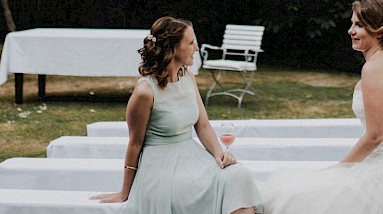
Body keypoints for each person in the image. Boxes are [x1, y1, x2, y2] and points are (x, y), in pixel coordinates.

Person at [260, 0, 383, 213]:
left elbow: (375, 136)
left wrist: (341, 170)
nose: (351, 30)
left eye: (359, 25)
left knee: (295, 196)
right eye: (352, 23)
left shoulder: (374, 68)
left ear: (379, 31)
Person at [92, 16, 262, 213]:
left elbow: (203, 125)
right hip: (161, 168)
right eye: (190, 43)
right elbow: (135, 143)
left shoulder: (188, 77)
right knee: (227, 185)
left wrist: (219, 156)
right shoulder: (145, 92)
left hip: (192, 157)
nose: (196, 48)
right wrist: (124, 192)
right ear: (172, 48)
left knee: (238, 175)